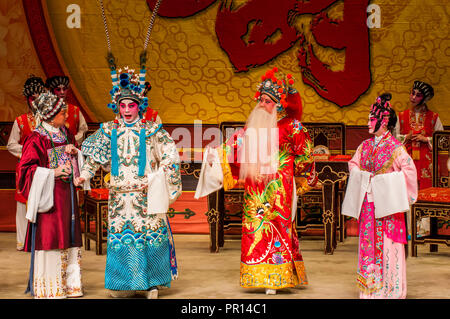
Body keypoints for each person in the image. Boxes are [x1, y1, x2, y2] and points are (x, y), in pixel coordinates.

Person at [196, 67, 317, 295]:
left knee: (279, 228)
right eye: (260, 100)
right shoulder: (251, 129)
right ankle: (256, 274)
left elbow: (306, 155)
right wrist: (216, 154)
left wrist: (298, 175)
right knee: (255, 230)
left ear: (279, 105)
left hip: (280, 188)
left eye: (267, 101)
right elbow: (233, 148)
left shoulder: (292, 127)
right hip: (255, 190)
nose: (262, 104)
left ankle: (277, 277)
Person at [74, 66, 181, 299]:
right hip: (120, 196)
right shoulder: (109, 130)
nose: (126, 110)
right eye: (122, 105)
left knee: (149, 235)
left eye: (131, 105)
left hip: (146, 193)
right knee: (122, 236)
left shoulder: (152, 130)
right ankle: (122, 283)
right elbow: (94, 157)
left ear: (139, 106)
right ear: (116, 106)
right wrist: (84, 174)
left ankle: (151, 283)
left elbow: (170, 155)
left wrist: (158, 178)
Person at [342, 93, 418, 299]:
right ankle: (370, 290)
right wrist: (363, 177)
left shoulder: (396, 148)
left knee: (388, 245)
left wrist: (387, 183)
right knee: (368, 244)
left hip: (388, 206)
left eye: (371, 119)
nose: (367, 122)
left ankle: (392, 289)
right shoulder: (364, 146)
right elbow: (353, 164)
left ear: (384, 122)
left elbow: (409, 171)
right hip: (369, 205)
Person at [18, 92, 84, 299]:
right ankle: (50, 287)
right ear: (50, 115)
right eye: (62, 112)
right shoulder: (36, 138)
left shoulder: (65, 133)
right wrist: (52, 172)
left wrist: (75, 154)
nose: (66, 115)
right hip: (49, 195)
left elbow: (72, 160)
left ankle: (70, 286)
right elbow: (25, 171)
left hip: (67, 194)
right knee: (51, 235)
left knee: (69, 233)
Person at [395, 81, 443, 237]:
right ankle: (408, 228)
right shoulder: (401, 117)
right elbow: (394, 139)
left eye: (418, 95)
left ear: (424, 99)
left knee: (425, 192)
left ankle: (425, 229)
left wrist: (427, 138)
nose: (413, 97)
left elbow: (442, 140)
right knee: (407, 191)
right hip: (407, 160)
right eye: (412, 93)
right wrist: (406, 137)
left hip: (426, 162)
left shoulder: (433, 117)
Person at [7, 76, 46, 251]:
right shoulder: (21, 121)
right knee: (24, 203)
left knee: (46, 202)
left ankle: (44, 239)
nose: (35, 101)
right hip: (26, 168)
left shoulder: (50, 120)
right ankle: (23, 241)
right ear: (27, 99)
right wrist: (29, 153)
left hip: (46, 167)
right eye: (32, 98)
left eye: (39, 97)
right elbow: (11, 144)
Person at [45, 75, 88, 146]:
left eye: (64, 89)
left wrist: (72, 141)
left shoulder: (74, 110)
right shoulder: (47, 111)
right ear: (52, 91)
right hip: (52, 148)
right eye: (58, 89)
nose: (62, 92)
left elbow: (83, 130)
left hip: (72, 148)